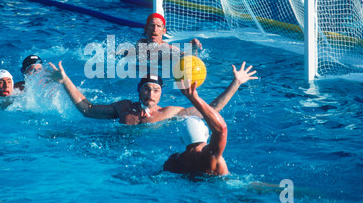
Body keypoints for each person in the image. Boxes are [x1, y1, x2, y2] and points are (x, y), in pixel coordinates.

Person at [45, 60, 257, 126]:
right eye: (146, 88)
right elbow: (87, 109)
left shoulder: (171, 112)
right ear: (139, 90)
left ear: (161, 94)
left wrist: (236, 83)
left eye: (156, 90)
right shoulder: (123, 107)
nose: (150, 93)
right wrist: (65, 81)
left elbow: (211, 110)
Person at [136, 13, 202, 57]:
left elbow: (189, 59)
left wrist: (193, 49)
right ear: (146, 29)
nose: (155, 29)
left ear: (164, 31)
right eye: (152, 25)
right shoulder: (141, 43)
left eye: (158, 26)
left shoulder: (168, 49)